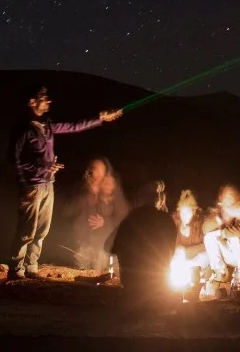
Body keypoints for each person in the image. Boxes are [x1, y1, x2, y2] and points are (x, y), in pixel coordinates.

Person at [9, 86, 123, 280]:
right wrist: (37, 172)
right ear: (32, 102)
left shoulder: (48, 126)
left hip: (48, 184)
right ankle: (16, 269)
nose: (49, 101)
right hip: (32, 185)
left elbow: (73, 126)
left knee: (42, 229)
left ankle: (32, 267)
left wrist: (99, 118)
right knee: (27, 230)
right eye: (44, 98)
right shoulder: (24, 129)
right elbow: (14, 160)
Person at [109, 180, 178, 301]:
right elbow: (171, 252)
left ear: (139, 200)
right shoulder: (167, 220)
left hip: (132, 287)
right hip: (159, 287)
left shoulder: (129, 221)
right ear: (158, 200)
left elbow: (110, 247)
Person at [69, 170, 127, 271]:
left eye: (109, 183)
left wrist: (105, 222)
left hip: (108, 247)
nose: (106, 186)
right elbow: (77, 214)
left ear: (114, 185)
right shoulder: (94, 198)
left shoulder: (119, 202)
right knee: (81, 267)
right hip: (88, 244)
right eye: (104, 182)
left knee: (104, 269)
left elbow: (122, 222)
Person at [203, 184, 240, 279]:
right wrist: (222, 218)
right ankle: (221, 273)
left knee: (235, 238)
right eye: (226, 196)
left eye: (232, 195)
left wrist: (223, 233)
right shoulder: (219, 213)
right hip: (229, 256)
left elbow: (239, 233)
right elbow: (205, 229)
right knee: (209, 237)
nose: (229, 198)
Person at [171, 188, 207, 283]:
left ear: (194, 212)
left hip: (197, 260)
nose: (185, 215)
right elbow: (169, 245)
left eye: (187, 212)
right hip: (180, 260)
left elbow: (206, 245)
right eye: (182, 212)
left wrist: (187, 251)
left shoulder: (199, 225)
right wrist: (179, 250)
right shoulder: (174, 224)